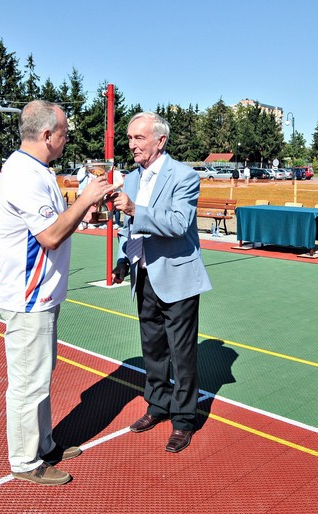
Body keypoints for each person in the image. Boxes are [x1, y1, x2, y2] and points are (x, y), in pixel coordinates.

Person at [0, 100, 114, 485]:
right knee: (29, 380)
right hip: (29, 297)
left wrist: (82, 211)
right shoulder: (25, 174)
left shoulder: (34, 169)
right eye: (63, 132)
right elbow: (50, 235)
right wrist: (85, 199)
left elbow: (54, 224)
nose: (66, 139)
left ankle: (43, 444)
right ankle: (26, 461)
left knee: (40, 374)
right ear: (47, 135)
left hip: (40, 294)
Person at [111, 111, 212, 453]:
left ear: (160, 141)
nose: (132, 145)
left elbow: (178, 223)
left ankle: (184, 420)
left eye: (139, 138)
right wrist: (124, 260)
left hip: (177, 275)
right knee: (152, 348)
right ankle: (157, 405)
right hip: (144, 274)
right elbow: (130, 229)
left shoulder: (184, 176)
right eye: (129, 138)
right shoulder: (131, 179)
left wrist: (133, 209)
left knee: (182, 353)